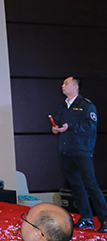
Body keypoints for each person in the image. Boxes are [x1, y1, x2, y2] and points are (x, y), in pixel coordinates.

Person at [52, 77, 107, 233]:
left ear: (75, 87)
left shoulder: (86, 105)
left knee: (91, 184)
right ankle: (86, 218)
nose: (63, 86)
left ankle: (105, 219)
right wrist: (56, 128)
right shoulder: (63, 106)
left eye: (66, 83)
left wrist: (70, 126)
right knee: (76, 185)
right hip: (66, 150)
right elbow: (59, 123)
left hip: (82, 150)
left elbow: (90, 125)